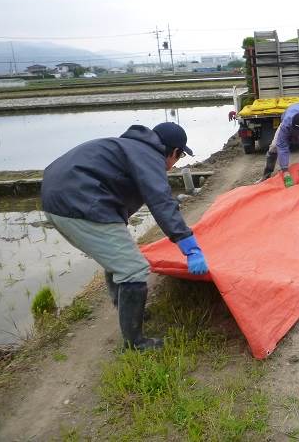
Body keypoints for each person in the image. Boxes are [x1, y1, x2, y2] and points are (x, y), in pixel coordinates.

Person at [40, 122, 209, 351]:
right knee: (133, 269)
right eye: (178, 158)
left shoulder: (132, 147)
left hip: (59, 199)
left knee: (119, 258)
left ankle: (127, 309)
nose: (174, 164)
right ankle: (136, 342)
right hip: (79, 202)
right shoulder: (149, 156)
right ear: (175, 152)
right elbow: (161, 202)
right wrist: (190, 247)